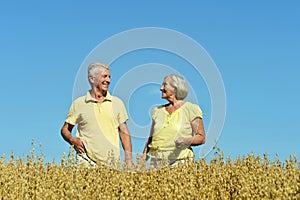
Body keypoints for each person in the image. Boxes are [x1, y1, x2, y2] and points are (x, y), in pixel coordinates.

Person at [61, 62, 134, 168]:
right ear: (92, 79)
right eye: (104, 76)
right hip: (86, 160)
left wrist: (129, 160)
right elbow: (65, 130)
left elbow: (124, 132)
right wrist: (73, 140)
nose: (108, 80)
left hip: (112, 163)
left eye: (109, 77)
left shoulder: (117, 103)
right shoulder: (79, 104)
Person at [143, 74, 206, 167]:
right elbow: (151, 139)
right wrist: (142, 160)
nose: (161, 88)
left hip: (180, 161)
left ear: (175, 88)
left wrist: (186, 141)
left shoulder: (191, 109)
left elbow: (201, 137)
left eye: (165, 85)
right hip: (156, 162)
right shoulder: (157, 111)